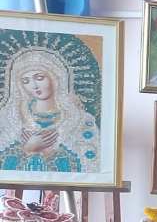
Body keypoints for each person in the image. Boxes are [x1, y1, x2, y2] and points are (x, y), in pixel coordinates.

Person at [0, 42, 102, 176]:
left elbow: (90, 168)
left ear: (55, 78)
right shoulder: (9, 120)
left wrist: (51, 151)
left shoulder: (81, 121)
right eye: (26, 81)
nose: (34, 86)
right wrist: (28, 148)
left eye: (39, 78)